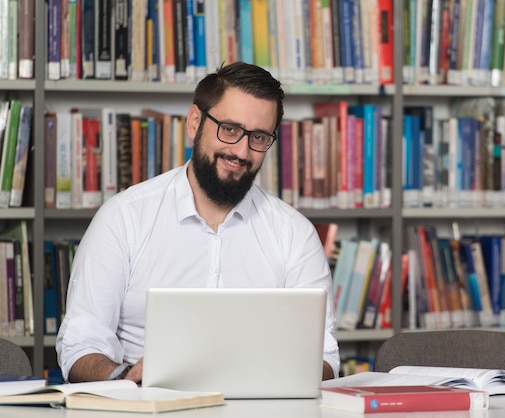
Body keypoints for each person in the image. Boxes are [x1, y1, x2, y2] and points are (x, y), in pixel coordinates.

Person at [56, 62, 339, 383]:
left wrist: (283, 377)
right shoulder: (124, 218)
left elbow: (325, 356)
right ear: (194, 122)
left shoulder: (294, 234)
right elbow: (80, 343)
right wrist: (124, 377)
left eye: (258, 137)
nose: (241, 151)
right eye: (229, 129)